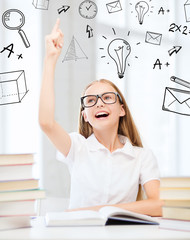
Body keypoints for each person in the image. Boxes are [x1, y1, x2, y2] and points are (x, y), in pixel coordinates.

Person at [39, 19, 163, 217]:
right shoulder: (76, 147)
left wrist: (95, 211)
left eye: (107, 97)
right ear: (85, 116)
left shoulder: (141, 157)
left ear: (122, 109)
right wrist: (50, 60)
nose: (99, 103)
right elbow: (46, 123)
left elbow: (157, 206)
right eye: (91, 100)